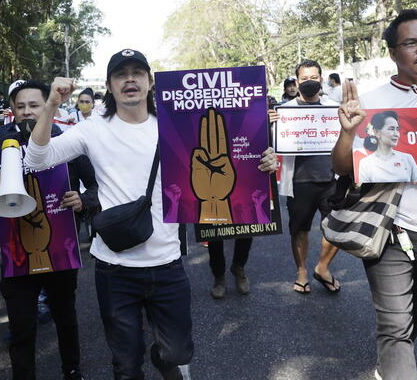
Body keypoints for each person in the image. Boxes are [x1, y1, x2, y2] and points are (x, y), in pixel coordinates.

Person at [25, 48, 279, 379]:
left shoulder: (177, 126)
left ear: (149, 82)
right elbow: (36, 160)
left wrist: (262, 165)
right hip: (114, 269)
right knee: (126, 366)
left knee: (177, 352)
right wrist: (51, 106)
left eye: (137, 72)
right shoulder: (92, 128)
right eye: (121, 74)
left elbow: (230, 157)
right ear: (110, 85)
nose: (129, 79)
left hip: (168, 264)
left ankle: (164, 360)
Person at [331, 10, 417, 380]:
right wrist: (348, 131)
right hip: (391, 230)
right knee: (394, 326)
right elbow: (344, 167)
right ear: (394, 52)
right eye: (411, 43)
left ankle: (388, 366)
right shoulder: (371, 103)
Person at [0, 80, 99, 380]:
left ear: (48, 107)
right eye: (21, 107)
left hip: (60, 252)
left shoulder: (66, 140)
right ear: (13, 112)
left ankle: (72, 371)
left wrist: (82, 200)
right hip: (17, 253)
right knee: (21, 327)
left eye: (34, 105)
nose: (27, 112)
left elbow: (97, 187)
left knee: (66, 320)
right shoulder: (3, 145)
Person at [270, 59, 341, 295]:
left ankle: (322, 267)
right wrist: (269, 125)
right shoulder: (284, 112)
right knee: (299, 230)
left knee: (336, 228)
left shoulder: (334, 108)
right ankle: (301, 272)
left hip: (332, 179)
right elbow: (272, 145)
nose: (309, 82)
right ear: (296, 81)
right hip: (299, 182)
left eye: (314, 77)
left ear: (321, 79)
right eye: (304, 78)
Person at [357, 111, 417, 183]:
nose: (396, 134)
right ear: (376, 132)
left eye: (397, 129)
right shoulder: (366, 163)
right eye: (391, 129)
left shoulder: (407, 159)